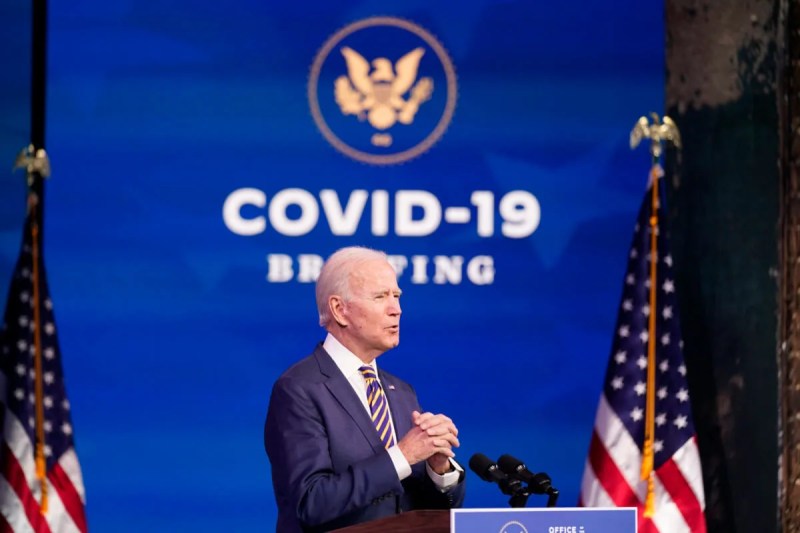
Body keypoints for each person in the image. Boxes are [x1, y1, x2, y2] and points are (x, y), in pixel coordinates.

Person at [264, 246, 465, 532]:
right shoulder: (299, 389)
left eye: (396, 296)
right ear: (339, 310)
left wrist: (438, 468)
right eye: (380, 297)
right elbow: (310, 502)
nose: (396, 309)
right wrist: (403, 455)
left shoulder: (402, 392)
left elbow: (420, 509)